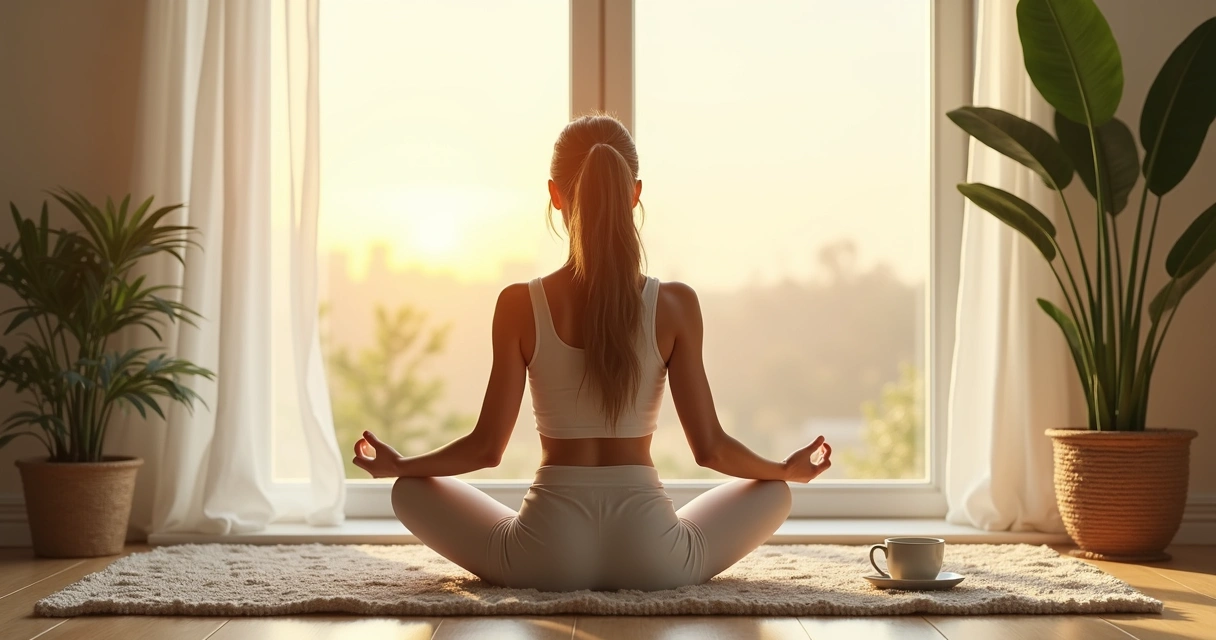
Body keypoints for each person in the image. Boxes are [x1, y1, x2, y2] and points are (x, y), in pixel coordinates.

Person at [352, 114, 833, 591]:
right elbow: (710, 449)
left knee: (408, 492)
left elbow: (486, 449)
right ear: (635, 193)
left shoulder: (520, 304)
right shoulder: (674, 304)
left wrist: (402, 466)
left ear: (555, 194)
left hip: (542, 557)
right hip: (656, 557)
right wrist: (784, 470)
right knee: (775, 494)